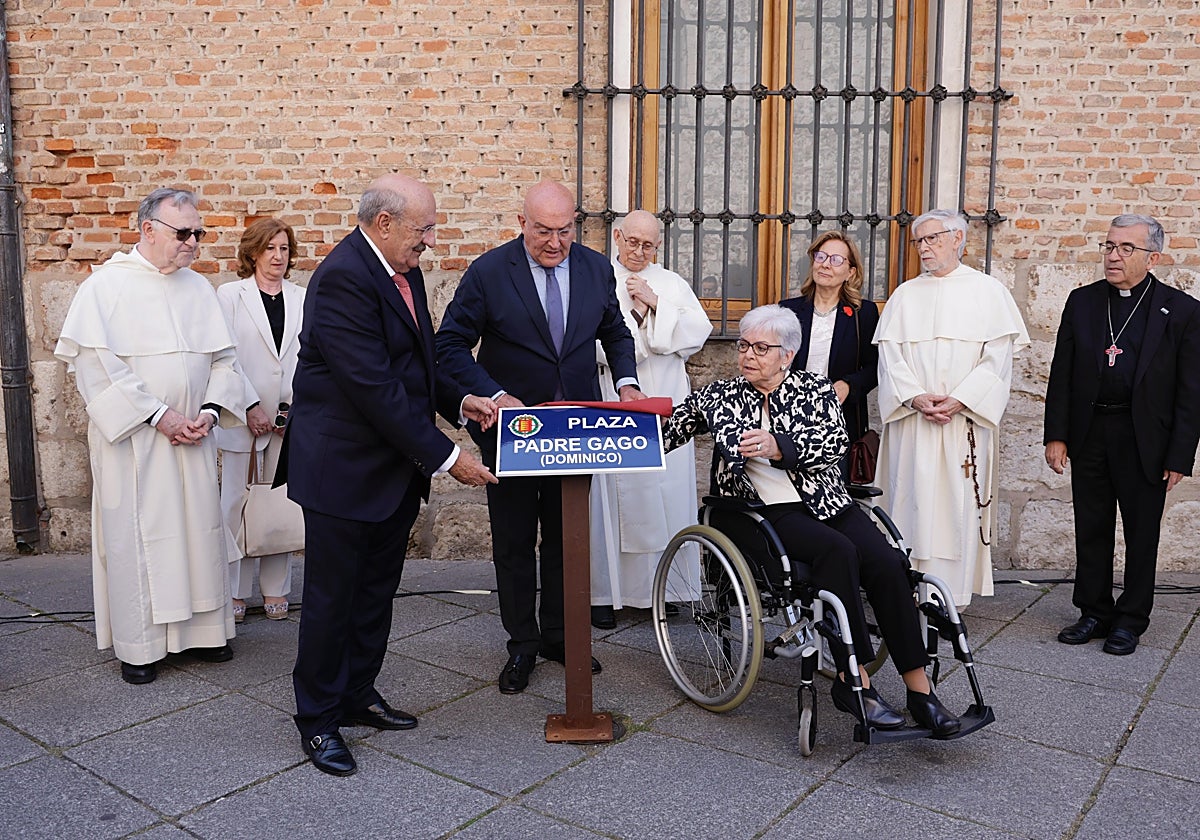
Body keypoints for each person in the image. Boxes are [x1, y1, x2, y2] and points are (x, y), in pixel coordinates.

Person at [278, 174, 497, 777]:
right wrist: (449, 456)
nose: (430, 239)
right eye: (423, 228)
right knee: (331, 601)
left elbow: (417, 362)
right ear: (384, 223)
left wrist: (462, 402)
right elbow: (373, 387)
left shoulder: (405, 268)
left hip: (391, 468)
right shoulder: (343, 278)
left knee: (375, 594)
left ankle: (356, 693)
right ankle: (317, 720)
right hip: (342, 469)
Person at [662, 304, 960, 735]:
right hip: (759, 512)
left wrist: (777, 446)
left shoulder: (814, 390)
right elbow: (669, 429)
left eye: (761, 348)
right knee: (837, 551)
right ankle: (853, 681)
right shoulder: (718, 395)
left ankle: (920, 691)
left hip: (825, 501)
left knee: (887, 560)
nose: (748, 354)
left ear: (787, 355)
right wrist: (613, 434)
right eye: (744, 345)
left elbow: (833, 443)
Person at [435, 180, 644, 695]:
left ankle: (560, 636)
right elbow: (451, 345)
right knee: (513, 541)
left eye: (565, 230)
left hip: (576, 431)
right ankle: (521, 644)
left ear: (576, 224)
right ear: (522, 224)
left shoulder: (596, 268)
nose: (555, 242)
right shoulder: (488, 272)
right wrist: (494, 393)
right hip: (511, 429)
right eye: (544, 232)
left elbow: (614, 332)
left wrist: (628, 382)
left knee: (567, 536)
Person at [54, 187, 246, 685]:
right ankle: (141, 647)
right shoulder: (105, 287)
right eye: (183, 233)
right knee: (139, 538)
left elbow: (226, 361)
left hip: (194, 437)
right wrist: (158, 415)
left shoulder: (199, 289)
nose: (193, 243)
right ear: (148, 230)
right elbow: (96, 368)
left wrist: (206, 410)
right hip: (138, 443)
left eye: (198, 233)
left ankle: (206, 633)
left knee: (199, 532)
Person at [1045, 214, 1200, 656]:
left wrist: (1179, 455)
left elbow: (1192, 392)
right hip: (1091, 431)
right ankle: (1093, 611)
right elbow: (1063, 374)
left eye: (1126, 248)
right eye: (1109, 246)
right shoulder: (1083, 302)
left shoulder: (1182, 311)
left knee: (1141, 531)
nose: (1114, 256)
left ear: (1153, 257)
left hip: (1145, 439)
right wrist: (1056, 435)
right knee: (1091, 526)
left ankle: (1131, 619)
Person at [874, 209, 1029, 606]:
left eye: (933, 239)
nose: (924, 248)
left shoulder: (989, 291)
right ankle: (906, 591)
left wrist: (962, 399)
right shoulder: (905, 295)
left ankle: (950, 598)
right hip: (914, 423)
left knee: (956, 508)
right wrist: (914, 397)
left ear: (958, 239)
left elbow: (998, 360)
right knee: (909, 501)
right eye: (919, 241)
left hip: (964, 424)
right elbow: (889, 358)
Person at [588, 209, 712, 630]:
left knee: (667, 491)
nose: (639, 251)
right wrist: (636, 330)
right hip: (614, 396)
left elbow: (698, 331)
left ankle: (668, 588)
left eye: (649, 245)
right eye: (633, 241)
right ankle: (605, 593)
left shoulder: (671, 282)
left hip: (664, 397)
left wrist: (656, 305)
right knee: (608, 496)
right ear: (617, 236)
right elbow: (587, 339)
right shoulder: (595, 275)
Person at [216, 218, 304, 623]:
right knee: (234, 502)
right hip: (240, 417)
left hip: (287, 419)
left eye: (284, 248)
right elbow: (224, 357)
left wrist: (289, 407)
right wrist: (250, 405)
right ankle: (233, 589)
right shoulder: (230, 296)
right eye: (270, 248)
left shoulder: (303, 297)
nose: (277, 256)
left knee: (279, 500)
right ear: (252, 253)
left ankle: (276, 589)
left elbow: (310, 357)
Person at [780, 230, 880, 452]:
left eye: (836, 260)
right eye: (821, 257)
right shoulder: (788, 310)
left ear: (850, 272)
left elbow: (875, 367)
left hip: (840, 420)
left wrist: (849, 385)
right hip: (790, 418)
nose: (825, 265)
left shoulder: (862, 313)